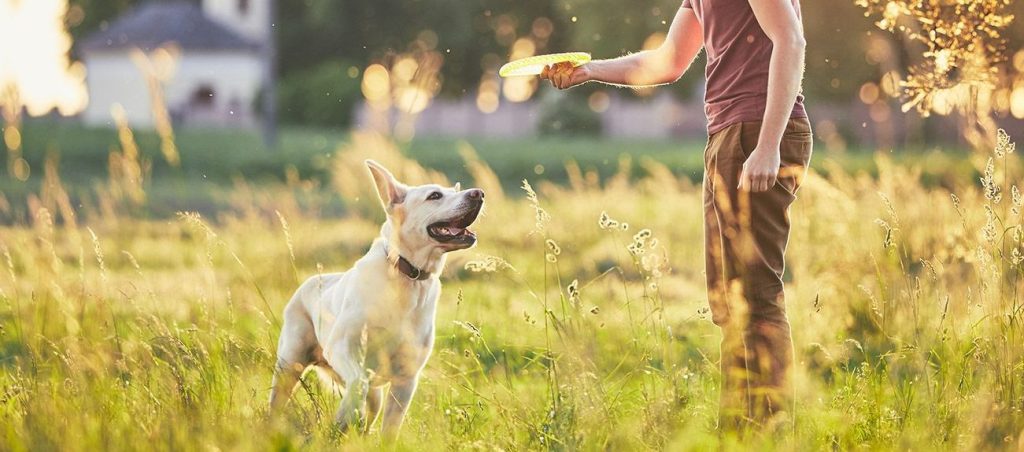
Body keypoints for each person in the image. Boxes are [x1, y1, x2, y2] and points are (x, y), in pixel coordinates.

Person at [542, 0, 812, 431]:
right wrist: (588, 71)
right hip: (728, 135)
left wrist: (768, 145)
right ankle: (739, 430)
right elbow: (668, 62)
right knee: (729, 302)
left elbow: (791, 38)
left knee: (756, 296)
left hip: (755, 132)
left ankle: (770, 432)